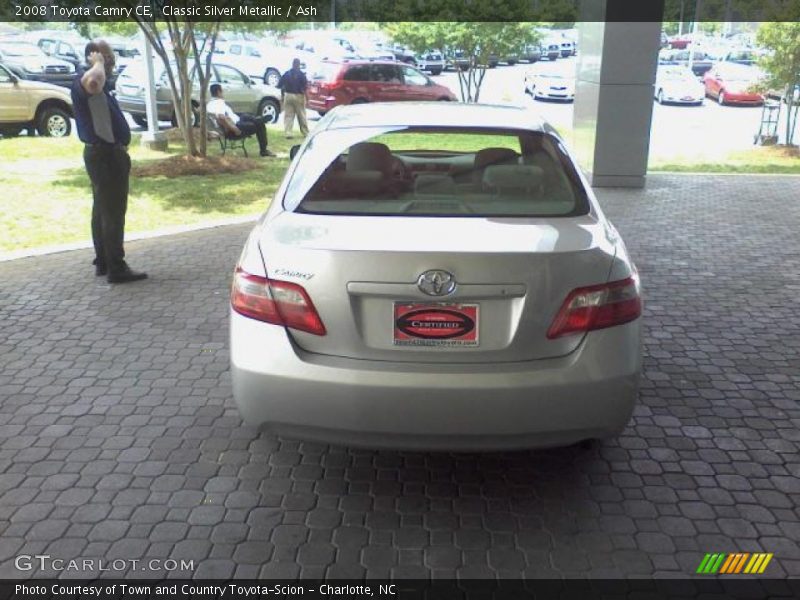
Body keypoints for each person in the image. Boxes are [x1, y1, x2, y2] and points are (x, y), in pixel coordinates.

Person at [71, 40, 147, 284]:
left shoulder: (97, 84)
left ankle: (104, 262)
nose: (111, 62)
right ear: (92, 58)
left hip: (105, 155)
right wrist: (98, 64)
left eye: (111, 58)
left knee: (102, 210)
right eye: (107, 58)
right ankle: (116, 267)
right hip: (105, 156)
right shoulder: (87, 80)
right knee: (113, 212)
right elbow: (94, 81)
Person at [206, 84, 275, 157]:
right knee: (260, 125)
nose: (223, 93)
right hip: (234, 128)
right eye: (222, 91)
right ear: (218, 92)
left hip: (236, 121)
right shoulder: (218, 104)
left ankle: (259, 119)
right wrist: (235, 129)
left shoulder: (210, 104)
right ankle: (263, 150)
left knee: (246, 115)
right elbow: (221, 118)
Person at [278, 58, 309, 139]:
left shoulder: (287, 74)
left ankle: (288, 133)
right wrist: (308, 98)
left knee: (288, 115)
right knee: (301, 115)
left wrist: (282, 96)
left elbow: (280, 85)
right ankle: (305, 132)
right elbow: (305, 88)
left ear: (292, 64)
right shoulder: (302, 75)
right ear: (299, 65)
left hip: (288, 95)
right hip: (299, 96)